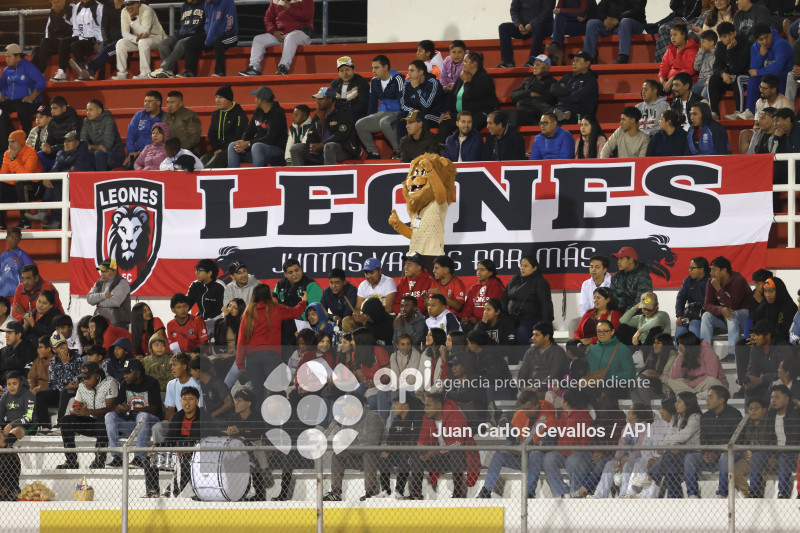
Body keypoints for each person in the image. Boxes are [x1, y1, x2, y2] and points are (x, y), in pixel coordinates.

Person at [476, 389, 558, 498]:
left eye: (528, 409)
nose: (525, 412)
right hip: (521, 458)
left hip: (541, 461)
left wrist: (527, 448)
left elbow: (550, 443)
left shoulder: (549, 417)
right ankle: (486, 490)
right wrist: (513, 448)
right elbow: (509, 440)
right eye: (523, 409)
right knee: (498, 456)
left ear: (537, 405)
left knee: (535, 454)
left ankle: (529, 493)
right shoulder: (519, 415)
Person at [236, 284, 307, 398]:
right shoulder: (276, 308)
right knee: (275, 391)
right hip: (271, 356)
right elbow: (296, 312)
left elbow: (241, 339)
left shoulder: (248, 313)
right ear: (267, 295)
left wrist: (239, 362)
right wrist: (303, 301)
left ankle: (258, 414)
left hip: (252, 357)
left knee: (258, 392)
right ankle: (275, 415)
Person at [143, 386, 211, 498]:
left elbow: (206, 441)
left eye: (191, 399)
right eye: (184, 399)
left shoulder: (204, 418)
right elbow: (170, 441)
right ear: (180, 401)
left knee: (187, 462)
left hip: (195, 454)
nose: (187, 402)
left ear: (197, 401)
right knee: (148, 458)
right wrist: (157, 447)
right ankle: (152, 492)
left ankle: (170, 493)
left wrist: (189, 449)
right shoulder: (177, 417)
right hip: (176, 451)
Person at [322, 395, 387, 501]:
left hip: (377, 459)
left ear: (354, 406)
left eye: (345, 406)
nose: (342, 409)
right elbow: (343, 441)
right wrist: (341, 447)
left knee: (369, 453)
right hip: (356, 458)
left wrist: (348, 448)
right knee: (337, 455)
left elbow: (372, 444)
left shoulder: (372, 417)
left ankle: (371, 492)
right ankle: (336, 493)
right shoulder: (347, 420)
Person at [55, 361, 117, 469]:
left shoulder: (110, 383)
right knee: (65, 421)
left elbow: (110, 409)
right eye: (83, 377)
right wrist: (76, 411)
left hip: (109, 425)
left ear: (97, 376)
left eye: (88, 377)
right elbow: (74, 407)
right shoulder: (82, 386)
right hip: (92, 423)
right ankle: (71, 461)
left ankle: (100, 459)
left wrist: (88, 412)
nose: (85, 380)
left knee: (103, 418)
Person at [640, 391, 701, 498]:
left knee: (668, 456)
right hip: (677, 453)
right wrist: (670, 445)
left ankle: (651, 477)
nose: (675, 404)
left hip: (692, 452)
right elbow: (670, 436)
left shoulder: (695, 417)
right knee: (670, 464)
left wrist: (665, 446)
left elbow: (684, 435)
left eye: (679, 402)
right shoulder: (677, 418)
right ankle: (674, 497)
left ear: (688, 403)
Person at [748, 385, 800, 498]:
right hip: (776, 452)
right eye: (771, 397)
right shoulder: (771, 415)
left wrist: (776, 456)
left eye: (777, 397)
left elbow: (794, 439)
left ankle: (783, 493)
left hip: (793, 452)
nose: (773, 400)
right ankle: (754, 492)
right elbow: (769, 439)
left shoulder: (796, 413)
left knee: (784, 459)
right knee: (756, 457)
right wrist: (772, 454)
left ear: (787, 398)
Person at [542, 389, 594, 497]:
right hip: (564, 452)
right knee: (549, 458)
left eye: (563, 400)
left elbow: (586, 436)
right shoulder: (563, 415)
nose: (561, 402)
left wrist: (578, 449)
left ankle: (574, 493)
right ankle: (561, 492)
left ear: (568, 402)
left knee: (573, 460)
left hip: (581, 454)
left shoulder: (583, 415)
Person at [290, 86, 361, 166]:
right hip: (321, 150)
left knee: (329, 146)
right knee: (296, 149)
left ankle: (329, 176)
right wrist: (312, 146)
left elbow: (341, 135)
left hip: (344, 150)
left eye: (321, 99)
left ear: (330, 99)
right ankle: (299, 177)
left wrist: (322, 145)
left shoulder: (344, 112)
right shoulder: (318, 114)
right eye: (317, 99)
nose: (318, 102)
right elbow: (311, 133)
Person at [240, 0, 313, 77]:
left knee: (290, 37)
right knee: (258, 39)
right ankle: (254, 68)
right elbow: (268, 18)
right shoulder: (276, 1)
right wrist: (274, 31)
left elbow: (307, 16)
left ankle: (283, 68)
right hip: (281, 35)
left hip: (301, 33)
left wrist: (290, 9)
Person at [438, 51, 498, 143]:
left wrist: (466, 82)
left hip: (479, 114)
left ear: (474, 64)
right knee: (445, 122)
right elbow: (452, 96)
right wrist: (448, 112)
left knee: (466, 125)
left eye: (465, 61)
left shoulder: (484, 78)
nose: (463, 64)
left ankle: (466, 152)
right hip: (461, 115)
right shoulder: (462, 76)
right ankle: (444, 152)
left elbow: (471, 95)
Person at [700, 256, 752, 361]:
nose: (711, 273)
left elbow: (733, 306)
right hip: (726, 320)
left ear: (724, 270)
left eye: (714, 269)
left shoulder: (738, 281)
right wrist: (720, 310)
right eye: (711, 270)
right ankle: (705, 353)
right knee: (706, 316)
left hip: (745, 319)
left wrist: (718, 289)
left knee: (732, 313)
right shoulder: (711, 282)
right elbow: (707, 305)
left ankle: (732, 353)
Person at [356, 55, 404, 159]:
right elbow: (372, 103)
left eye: (376, 67)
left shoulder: (399, 79)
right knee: (360, 124)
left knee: (385, 122)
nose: (373, 70)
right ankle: (374, 153)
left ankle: (399, 151)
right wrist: (369, 117)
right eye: (372, 68)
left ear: (386, 67)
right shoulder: (374, 81)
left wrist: (402, 117)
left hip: (398, 112)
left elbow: (402, 102)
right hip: (381, 113)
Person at [228, 85, 287, 169]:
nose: (254, 100)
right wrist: (243, 142)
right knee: (233, 146)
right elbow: (249, 130)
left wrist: (248, 144)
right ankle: (233, 177)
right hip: (257, 151)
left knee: (257, 147)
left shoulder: (278, 113)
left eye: (255, 98)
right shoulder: (258, 111)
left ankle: (257, 178)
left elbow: (271, 139)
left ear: (260, 100)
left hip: (276, 152)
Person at [34, 332, 81, 432]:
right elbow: (53, 383)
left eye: (63, 344)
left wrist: (66, 363)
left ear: (66, 343)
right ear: (54, 350)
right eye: (58, 346)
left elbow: (75, 381)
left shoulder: (77, 357)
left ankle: (60, 424)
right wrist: (64, 386)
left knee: (65, 392)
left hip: (75, 393)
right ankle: (45, 426)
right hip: (60, 391)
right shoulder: (53, 361)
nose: (62, 348)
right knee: (40, 395)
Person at [502, 256, 553, 346]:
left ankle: (522, 359)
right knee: (505, 334)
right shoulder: (514, 279)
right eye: (521, 265)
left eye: (526, 266)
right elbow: (505, 298)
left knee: (521, 333)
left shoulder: (540, 282)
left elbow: (545, 303)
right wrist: (504, 316)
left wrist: (546, 324)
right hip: (511, 318)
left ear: (534, 268)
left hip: (531, 319)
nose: (522, 268)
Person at [148, 0, 206, 79]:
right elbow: (183, 24)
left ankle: (165, 68)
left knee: (181, 43)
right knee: (164, 44)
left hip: (197, 35)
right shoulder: (184, 6)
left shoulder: (205, 4)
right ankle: (169, 72)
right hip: (181, 34)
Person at [49, 0, 103, 82]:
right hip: (81, 37)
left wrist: (99, 42)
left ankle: (87, 72)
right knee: (65, 41)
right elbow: (75, 26)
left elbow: (103, 26)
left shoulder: (98, 6)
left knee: (75, 45)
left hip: (93, 39)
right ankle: (62, 71)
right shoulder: (78, 6)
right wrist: (74, 37)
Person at [745, 23, 792, 115]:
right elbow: (753, 70)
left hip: (786, 73)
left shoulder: (781, 44)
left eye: (767, 37)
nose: (765, 41)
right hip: (768, 73)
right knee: (754, 79)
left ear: (771, 33)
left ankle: (779, 110)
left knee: (774, 77)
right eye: (761, 39)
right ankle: (750, 111)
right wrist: (760, 56)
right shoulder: (755, 47)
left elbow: (778, 67)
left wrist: (758, 72)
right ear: (756, 40)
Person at [71, 0, 124, 81]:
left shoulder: (129, 5)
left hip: (123, 39)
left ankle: (87, 67)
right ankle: (90, 74)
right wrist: (106, 40)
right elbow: (104, 25)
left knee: (107, 51)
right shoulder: (108, 5)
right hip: (110, 38)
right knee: (103, 49)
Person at [0, 44, 46, 137]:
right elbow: (3, 84)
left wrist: (33, 96)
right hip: (12, 101)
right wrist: (3, 94)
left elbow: (41, 81)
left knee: (23, 110)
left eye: (9, 56)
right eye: (6, 57)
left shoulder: (28, 67)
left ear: (17, 56)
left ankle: (27, 136)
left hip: (30, 101)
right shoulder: (7, 70)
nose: (6, 59)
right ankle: (10, 134)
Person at [738, 74, 793, 153]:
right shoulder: (759, 102)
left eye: (764, 88)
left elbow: (787, 125)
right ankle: (745, 162)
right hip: (762, 130)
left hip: (778, 131)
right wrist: (756, 126)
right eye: (760, 87)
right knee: (745, 134)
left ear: (774, 89)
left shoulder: (784, 103)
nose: (761, 90)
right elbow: (756, 122)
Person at [113, 0, 166, 80]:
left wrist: (133, 19)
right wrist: (136, 39)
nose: (128, 7)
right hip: (139, 38)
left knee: (143, 42)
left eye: (131, 4)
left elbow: (145, 33)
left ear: (138, 3)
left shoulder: (147, 10)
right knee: (120, 43)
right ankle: (122, 73)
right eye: (126, 4)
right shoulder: (124, 11)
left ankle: (145, 73)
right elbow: (124, 32)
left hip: (157, 37)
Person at [582, 0, 647, 65]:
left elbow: (637, 9)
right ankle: (589, 57)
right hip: (613, 25)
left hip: (633, 24)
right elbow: (600, 9)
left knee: (625, 22)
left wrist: (618, 19)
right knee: (592, 23)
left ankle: (623, 56)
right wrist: (605, 19)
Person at [710, 21, 751, 120]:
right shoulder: (720, 46)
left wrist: (730, 51)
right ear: (720, 37)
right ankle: (714, 112)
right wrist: (723, 74)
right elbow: (716, 66)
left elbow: (738, 68)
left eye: (730, 34)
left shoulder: (744, 43)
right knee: (713, 79)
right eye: (724, 36)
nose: (728, 38)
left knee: (738, 78)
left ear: (735, 33)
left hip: (746, 77)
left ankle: (739, 111)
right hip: (731, 78)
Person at [667, 331, 729, 396]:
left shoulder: (707, 350)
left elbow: (712, 375)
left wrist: (691, 383)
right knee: (671, 381)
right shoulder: (686, 354)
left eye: (680, 343)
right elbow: (674, 376)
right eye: (678, 343)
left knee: (712, 380)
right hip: (695, 387)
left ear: (688, 344)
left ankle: (695, 395)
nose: (678, 346)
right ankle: (695, 395)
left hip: (712, 384)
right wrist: (681, 356)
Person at [497, 0, 556, 68]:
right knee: (503, 28)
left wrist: (532, 24)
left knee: (538, 27)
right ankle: (508, 62)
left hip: (543, 25)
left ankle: (532, 61)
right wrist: (518, 24)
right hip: (524, 26)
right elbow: (514, 10)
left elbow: (547, 12)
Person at [584, 320, 635, 396]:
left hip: (615, 386)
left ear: (612, 332)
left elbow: (630, 373)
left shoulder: (622, 349)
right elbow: (587, 371)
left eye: (605, 331)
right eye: (599, 331)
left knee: (598, 391)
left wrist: (610, 378)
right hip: (594, 385)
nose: (601, 334)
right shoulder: (592, 350)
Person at [398, 60, 445, 142]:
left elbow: (426, 105)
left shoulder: (432, 83)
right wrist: (413, 111)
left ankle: (425, 149)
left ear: (421, 72)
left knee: (422, 117)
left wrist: (416, 88)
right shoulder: (408, 82)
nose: (409, 73)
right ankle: (401, 150)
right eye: (409, 70)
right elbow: (403, 104)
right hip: (417, 112)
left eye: (412, 70)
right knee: (401, 116)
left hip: (434, 114)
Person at [202, 85, 247, 169]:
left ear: (229, 99)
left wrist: (222, 150)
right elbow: (211, 133)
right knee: (200, 162)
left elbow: (239, 135)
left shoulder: (239, 113)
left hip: (232, 150)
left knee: (209, 167)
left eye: (221, 97)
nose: (217, 100)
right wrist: (216, 148)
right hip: (217, 149)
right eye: (216, 97)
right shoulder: (216, 113)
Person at [518, 322, 568, 393]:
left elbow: (554, 375)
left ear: (547, 337)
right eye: (533, 335)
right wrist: (522, 387)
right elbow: (522, 373)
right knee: (521, 401)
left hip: (548, 391)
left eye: (537, 335)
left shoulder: (558, 352)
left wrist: (538, 388)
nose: (533, 338)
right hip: (529, 391)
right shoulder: (530, 352)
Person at [509, 54, 557, 128]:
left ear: (546, 68)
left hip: (536, 114)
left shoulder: (552, 83)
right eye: (534, 64)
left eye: (538, 65)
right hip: (523, 110)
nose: (534, 67)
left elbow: (545, 100)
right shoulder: (528, 79)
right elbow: (513, 95)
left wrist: (523, 100)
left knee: (515, 113)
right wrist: (530, 93)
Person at [550, 51, 599, 122]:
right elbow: (553, 89)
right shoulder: (568, 77)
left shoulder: (591, 80)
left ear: (587, 64)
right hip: (562, 108)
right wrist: (571, 90)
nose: (573, 63)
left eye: (577, 60)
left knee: (555, 118)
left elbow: (577, 97)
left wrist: (561, 95)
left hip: (580, 116)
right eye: (573, 60)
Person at [546, 0, 596, 66]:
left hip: (583, 26)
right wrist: (563, 12)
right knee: (558, 17)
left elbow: (581, 12)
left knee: (560, 16)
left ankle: (557, 54)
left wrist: (562, 11)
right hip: (570, 24)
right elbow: (557, 10)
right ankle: (556, 45)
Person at [123, 90, 164, 170]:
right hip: (136, 154)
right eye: (145, 101)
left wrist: (144, 152)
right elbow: (130, 136)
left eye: (149, 101)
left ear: (158, 102)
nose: (146, 104)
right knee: (125, 172)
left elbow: (164, 140)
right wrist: (131, 152)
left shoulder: (165, 118)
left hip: (156, 155)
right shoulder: (139, 115)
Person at [86, 258, 131, 330]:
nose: (102, 274)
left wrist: (97, 301)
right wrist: (104, 295)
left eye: (106, 271)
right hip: (100, 324)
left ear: (115, 271)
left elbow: (115, 302)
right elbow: (89, 299)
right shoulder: (99, 282)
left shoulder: (122, 283)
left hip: (118, 325)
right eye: (101, 271)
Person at [80, 100, 125, 172]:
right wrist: (93, 147)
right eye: (87, 110)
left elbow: (107, 144)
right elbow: (83, 142)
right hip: (96, 151)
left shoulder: (109, 120)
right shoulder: (86, 121)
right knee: (82, 154)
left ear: (99, 110)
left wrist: (91, 147)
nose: (88, 113)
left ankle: (100, 180)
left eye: (91, 110)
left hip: (115, 154)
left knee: (99, 154)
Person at [31, 0, 73, 75]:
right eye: (53, 3)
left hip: (67, 42)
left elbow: (72, 27)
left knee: (46, 41)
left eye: (57, 2)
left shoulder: (72, 8)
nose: (54, 5)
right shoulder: (53, 11)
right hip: (55, 42)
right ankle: (31, 74)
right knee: (36, 49)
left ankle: (40, 72)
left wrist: (58, 14)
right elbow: (48, 30)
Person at [461, 259, 505, 331]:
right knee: (463, 326)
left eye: (482, 270)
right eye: (477, 269)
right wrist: (466, 317)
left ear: (490, 273)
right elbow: (468, 306)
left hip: (490, 322)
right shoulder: (474, 287)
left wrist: (479, 320)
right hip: (474, 322)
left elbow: (494, 309)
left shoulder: (496, 286)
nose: (478, 272)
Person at [675, 256, 710, 340]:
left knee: (694, 323)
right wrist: (679, 315)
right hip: (689, 314)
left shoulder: (710, 281)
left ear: (701, 269)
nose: (689, 270)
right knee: (680, 325)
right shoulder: (688, 280)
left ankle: (695, 352)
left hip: (704, 316)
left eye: (692, 268)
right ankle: (678, 351)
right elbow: (680, 298)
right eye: (689, 268)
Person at [200, 0, 238, 77]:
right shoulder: (207, 3)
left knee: (217, 42)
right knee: (191, 42)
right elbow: (207, 22)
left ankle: (219, 72)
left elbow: (229, 22)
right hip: (213, 36)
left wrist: (212, 38)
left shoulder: (227, 1)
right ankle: (189, 73)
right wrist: (209, 35)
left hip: (230, 35)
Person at [608, 246, 652, 313]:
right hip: (618, 315)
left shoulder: (643, 276)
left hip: (637, 317)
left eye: (621, 259)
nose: (618, 262)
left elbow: (643, 301)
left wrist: (626, 315)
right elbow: (612, 299)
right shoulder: (615, 277)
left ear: (630, 260)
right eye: (618, 259)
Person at [659, 24, 700, 94]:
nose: (672, 38)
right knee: (654, 89)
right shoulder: (670, 50)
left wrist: (673, 79)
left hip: (685, 81)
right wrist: (663, 82)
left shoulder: (692, 49)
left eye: (675, 35)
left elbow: (691, 70)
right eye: (671, 35)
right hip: (669, 82)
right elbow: (663, 68)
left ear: (683, 35)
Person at [0, 370, 35, 450]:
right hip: (8, 423)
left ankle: (12, 460)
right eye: (9, 384)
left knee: (9, 437)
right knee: (1, 441)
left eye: (14, 383)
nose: (11, 386)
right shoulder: (5, 395)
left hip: (26, 425)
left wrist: (12, 424)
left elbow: (28, 417)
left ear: (20, 384)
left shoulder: (28, 395)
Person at [329, 56, 370, 121]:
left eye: (347, 69)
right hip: (339, 115)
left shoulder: (361, 82)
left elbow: (364, 104)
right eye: (341, 71)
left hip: (357, 116)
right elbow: (330, 101)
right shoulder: (335, 83)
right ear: (338, 72)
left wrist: (346, 112)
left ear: (353, 70)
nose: (345, 73)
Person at [186, 258, 225, 323]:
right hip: (200, 321)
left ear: (209, 273)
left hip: (217, 323)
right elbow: (186, 304)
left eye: (199, 271)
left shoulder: (220, 286)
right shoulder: (195, 285)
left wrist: (207, 322)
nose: (196, 273)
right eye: (196, 270)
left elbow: (222, 311)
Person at [0, 321, 35, 387]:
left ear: (18, 335)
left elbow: (29, 374)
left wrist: (11, 385)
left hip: (20, 387)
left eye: (9, 333)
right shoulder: (3, 351)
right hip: (3, 387)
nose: (6, 336)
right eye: (6, 333)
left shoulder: (29, 350)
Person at [0, 228, 33, 299]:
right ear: (6, 238)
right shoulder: (2, 256)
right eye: (11, 237)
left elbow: (32, 271)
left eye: (17, 237)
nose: (14, 240)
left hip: (17, 292)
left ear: (20, 239)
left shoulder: (22, 254)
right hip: (3, 292)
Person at [692, 30, 718, 100]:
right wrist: (701, 52)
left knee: (704, 94)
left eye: (703, 41)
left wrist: (709, 80)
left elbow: (715, 71)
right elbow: (696, 67)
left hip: (710, 80)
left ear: (712, 42)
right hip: (700, 80)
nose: (701, 44)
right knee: (687, 92)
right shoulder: (702, 53)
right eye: (701, 42)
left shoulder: (717, 54)